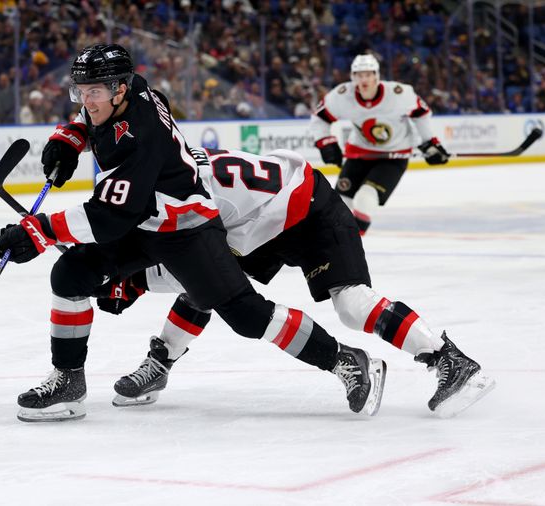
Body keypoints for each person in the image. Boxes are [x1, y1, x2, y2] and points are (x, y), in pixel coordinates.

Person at [0, 44, 386, 422]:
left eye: (94, 91)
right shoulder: (135, 89)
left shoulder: (142, 137)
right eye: (81, 90)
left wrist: (37, 231)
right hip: (143, 218)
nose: (86, 100)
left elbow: (107, 217)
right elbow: (94, 127)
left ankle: (345, 359)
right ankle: (69, 382)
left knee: (248, 315)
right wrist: (71, 138)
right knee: (70, 275)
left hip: (187, 228)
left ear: (119, 90)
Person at [98, 147, 495, 419]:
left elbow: (178, 256)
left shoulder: (181, 194)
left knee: (352, 305)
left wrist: (133, 281)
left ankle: (448, 359)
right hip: (261, 222)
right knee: (206, 281)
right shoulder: (170, 167)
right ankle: (161, 362)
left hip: (310, 211)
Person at [311, 54, 450, 235]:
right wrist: (325, 143)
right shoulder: (342, 96)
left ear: (377, 76)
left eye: (368, 75)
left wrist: (430, 143)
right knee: (339, 204)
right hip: (360, 154)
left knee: (365, 198)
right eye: (359, 75)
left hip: (393, 157)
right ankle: (336, 244)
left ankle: (351, 244)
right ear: (353, 78)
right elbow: (319, 118)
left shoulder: (399, 94)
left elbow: (421, 113)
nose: (364, 80)